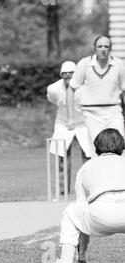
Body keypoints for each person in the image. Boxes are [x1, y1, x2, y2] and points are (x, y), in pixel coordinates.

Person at [40, 128, 125, 263]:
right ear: (122, 147)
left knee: (72, 213)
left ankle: (68, 261)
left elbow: (81, 204)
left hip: (101, 216)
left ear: (97, 147)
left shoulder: (86, 167)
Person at [67, 36, 125, 156]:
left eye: (106, 46)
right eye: (100, 46)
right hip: (91, 114)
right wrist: (70, 118)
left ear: (110, 49)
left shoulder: (119, 65)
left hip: (114, 111)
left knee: (120, 147)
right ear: (95, 48)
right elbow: (71, 89)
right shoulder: (84, 64)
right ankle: (98, 173)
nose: (103, 49)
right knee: (96, 150)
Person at [47, 61, 91, 194]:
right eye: (64, 73)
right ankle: (63, 190)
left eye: (71, 73)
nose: (67, 75)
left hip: (83, 123)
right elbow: (53, 100)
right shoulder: (53, 89)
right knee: (62, 156)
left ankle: (88, 189)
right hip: (63, 123)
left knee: (88, 156)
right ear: (61, 75)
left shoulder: (85, 87)